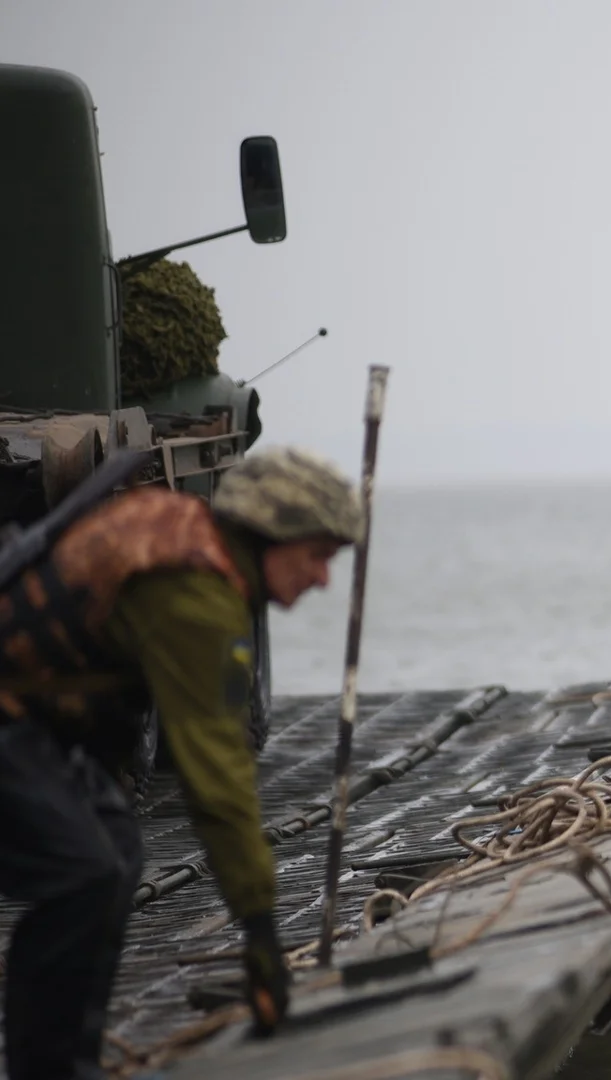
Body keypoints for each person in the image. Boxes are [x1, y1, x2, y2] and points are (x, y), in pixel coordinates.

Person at [0, 446, 361, 1080]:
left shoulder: (186, 536)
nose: (323, 580)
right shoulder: (194, 590)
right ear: (272, 532)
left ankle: (63, 1061)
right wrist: (261, 931)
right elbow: (215, 776)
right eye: (318, 556)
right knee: (82, 872)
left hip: (34, 725)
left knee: (114, 851)